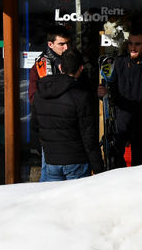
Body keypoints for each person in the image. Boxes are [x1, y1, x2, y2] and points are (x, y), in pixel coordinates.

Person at [31, 50, 104, 181]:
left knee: (53, 200)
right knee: (76, 201)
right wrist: (98, 168)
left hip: (51, 159)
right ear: (81, 69)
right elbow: (89, 136)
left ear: (60, 67)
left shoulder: (41, 92)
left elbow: (35, 126)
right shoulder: (80, 96)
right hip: (76, 160)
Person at [103, 29, 142, 167]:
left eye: (137, 44)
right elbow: (112, 90)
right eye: (130, 43)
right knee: (117, 169)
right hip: (122, 126)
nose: (133, 47)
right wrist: (105, 94)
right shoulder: (120, 62)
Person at [27, 24, 72, 104]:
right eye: (61, 44)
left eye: (68, 43)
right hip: (50, 113)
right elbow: (33, 98)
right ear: (50, 45)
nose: (66, 47)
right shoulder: (40, 66)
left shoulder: (75, 59)